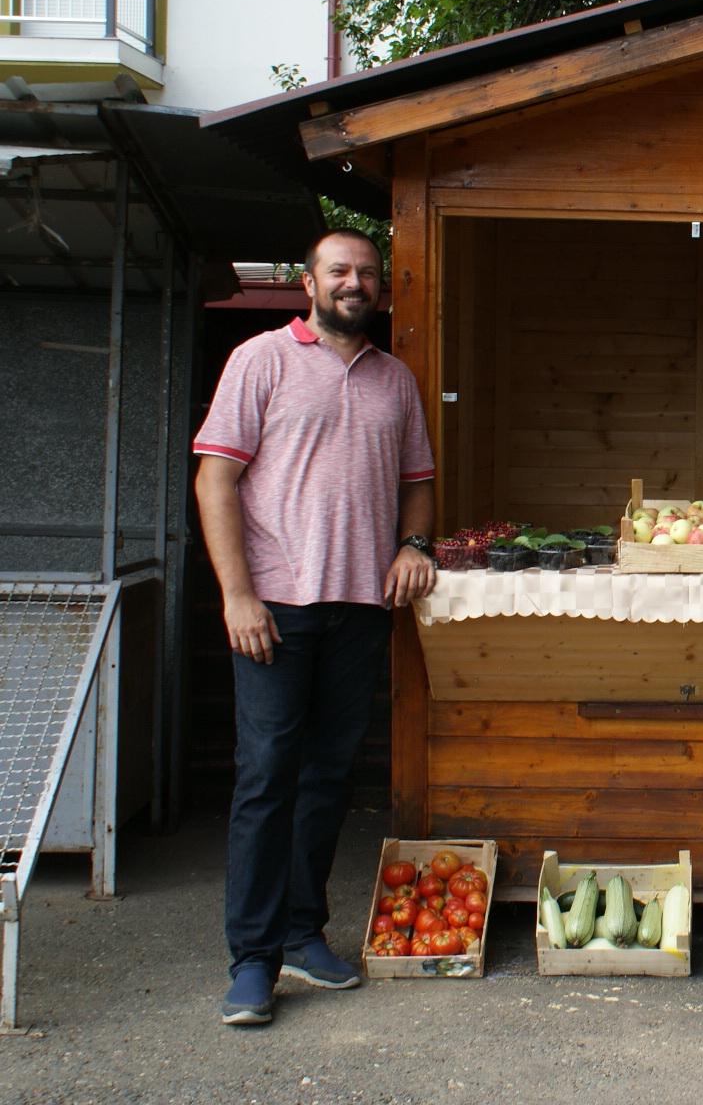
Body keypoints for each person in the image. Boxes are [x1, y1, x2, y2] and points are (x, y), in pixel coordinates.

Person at [193, 228, 437, 1026]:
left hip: (360, 607)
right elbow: (216, 480)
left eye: (366, 273)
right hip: (275, 609)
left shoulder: (395, 380)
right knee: (266, 778)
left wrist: (412, 544)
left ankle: (303, 933)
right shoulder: (260, 360)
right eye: (340, 271)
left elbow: (417, 485)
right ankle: (252, 961)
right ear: (309, 281)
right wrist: (237, 595)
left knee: (329, 778)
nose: (354, 283)